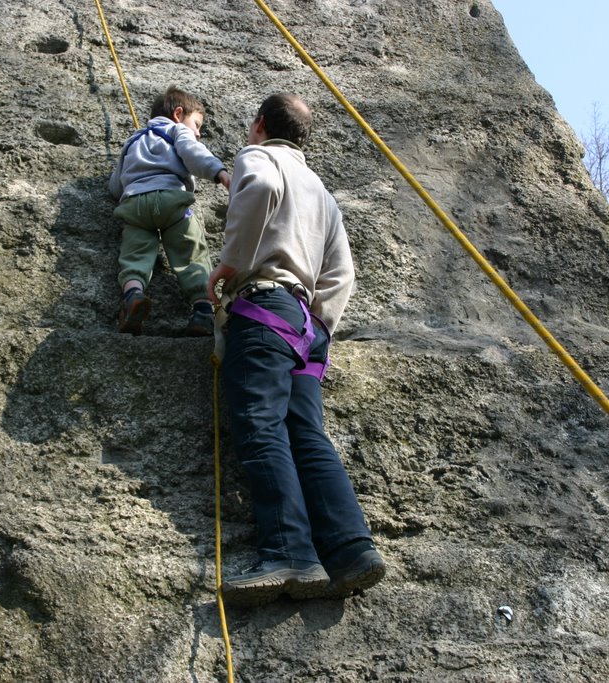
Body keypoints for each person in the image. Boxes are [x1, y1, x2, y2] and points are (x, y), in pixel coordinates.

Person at [207, 93, 384, 606]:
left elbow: (258, 187)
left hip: (264, 309)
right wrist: (319, 326)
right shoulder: (322, 192)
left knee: (260, 425)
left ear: (260, 125)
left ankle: (289, 553)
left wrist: (232, 263)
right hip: (307, 327)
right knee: (307, 434)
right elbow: (342, 273)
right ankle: (350, 549)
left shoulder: (259, 157)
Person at [109, 86, 231, 336]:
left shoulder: (132, 140)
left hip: (134, 204)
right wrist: (219, 173)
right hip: (171, 200)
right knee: (190, 252)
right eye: (196, 125)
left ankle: (133, 295)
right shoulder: (177, 131)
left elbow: (115, 183)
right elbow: (192, 152)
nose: (197, 133)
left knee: (134, 255)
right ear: (178, 114)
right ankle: (202, 311)